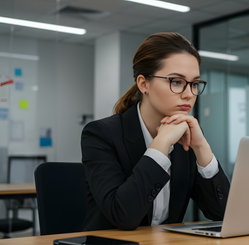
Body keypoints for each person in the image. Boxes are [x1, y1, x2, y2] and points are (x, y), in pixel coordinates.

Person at [81, 32, 230, 231]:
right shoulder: (101, 134)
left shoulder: (188, 135)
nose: (189, 94)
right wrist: (160, 145)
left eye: (194, 84)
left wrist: (202, 149)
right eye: (176, 81)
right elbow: (123, 216)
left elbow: (222, 213)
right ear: (144, 84)